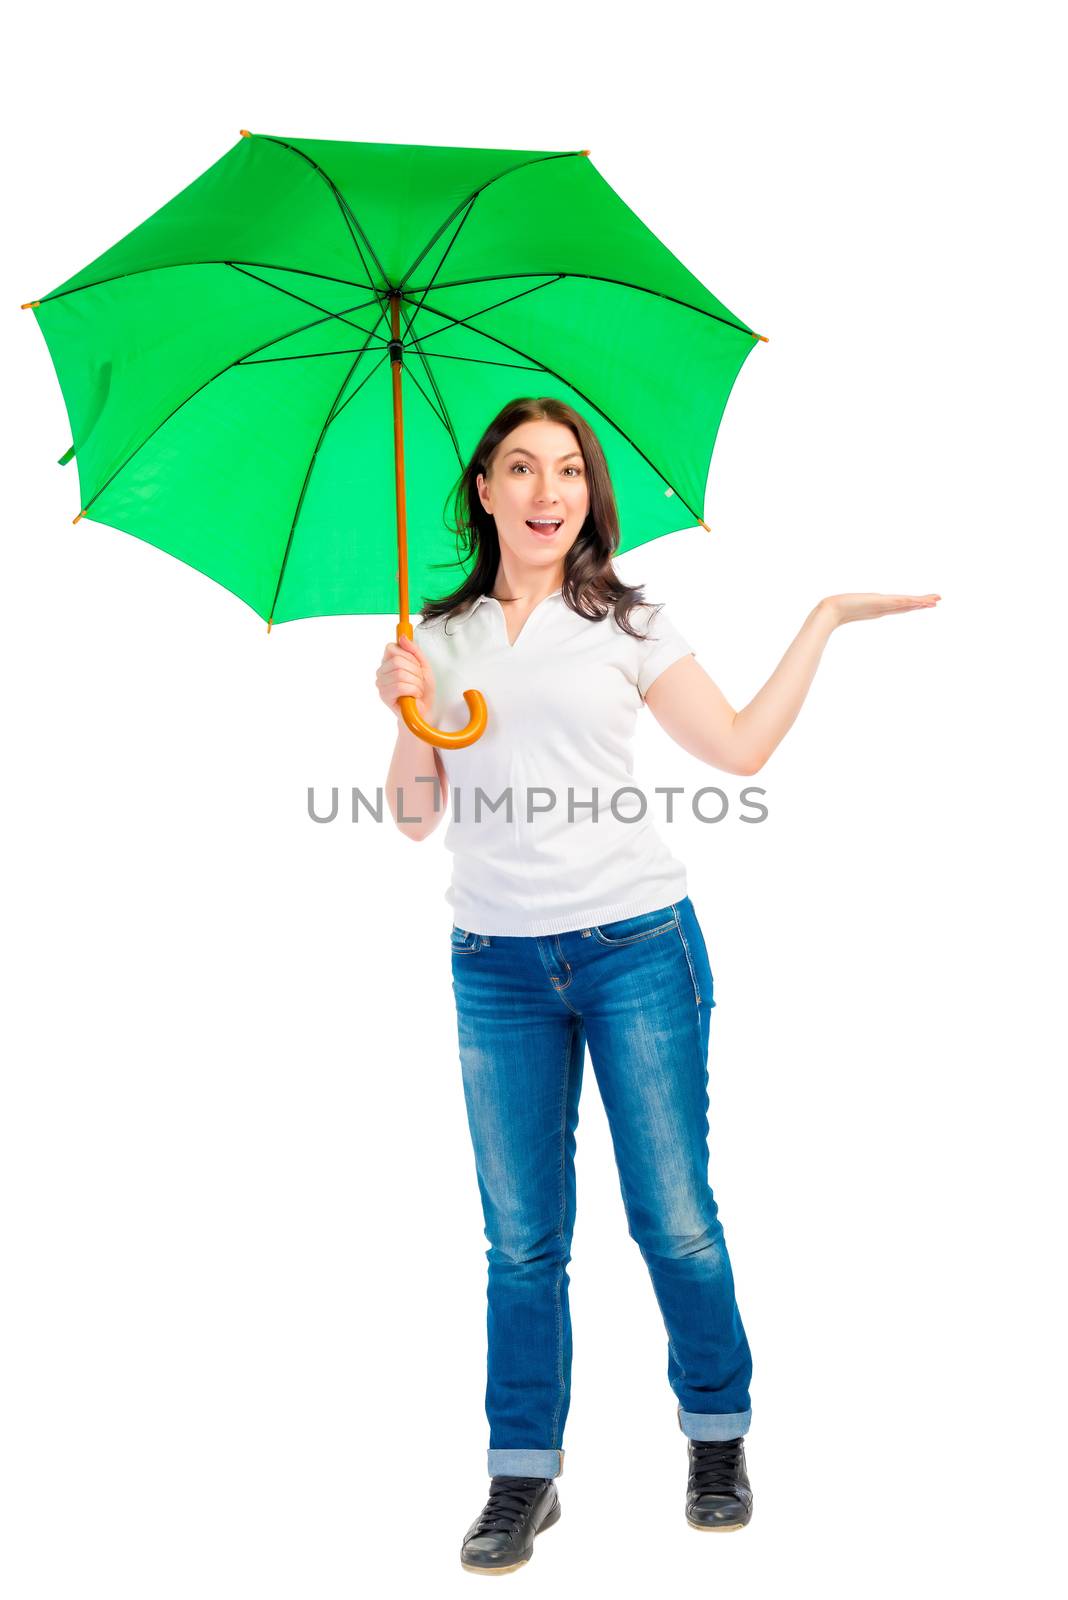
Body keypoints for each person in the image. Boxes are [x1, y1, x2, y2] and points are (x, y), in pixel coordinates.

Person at [375, 396, 939, 1574]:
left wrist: (824, 619)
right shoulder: (440, 636)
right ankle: (522, 1473)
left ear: (589, 492)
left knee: (673, 1219)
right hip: (496, 968)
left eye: (568, 470)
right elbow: (417, 821)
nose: (547, 490)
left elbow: (737, 747)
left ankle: (717, 1434)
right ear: (482, 490)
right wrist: (402, 716)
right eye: (521, 468)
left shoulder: (627, 621)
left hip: (638, 948)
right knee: (521, 1239)